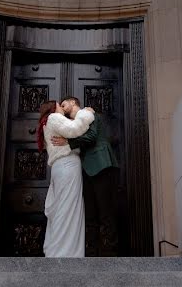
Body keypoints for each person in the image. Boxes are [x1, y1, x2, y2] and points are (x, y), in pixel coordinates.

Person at [52, 96, 120, 256]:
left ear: (73, 103)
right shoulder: (72, 125)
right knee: (90, 214)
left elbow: (91, 137)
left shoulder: (89, 115)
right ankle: (91, 254)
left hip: (101, 165)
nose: (62, 107)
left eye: (64, 104)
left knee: (106, 212)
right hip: (85, 172)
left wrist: (68, 143)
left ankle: (111, 255)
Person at [37, 99, 95, 257]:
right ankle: (66, 253)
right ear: (53, 108)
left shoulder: (47, 123)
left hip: (60, 168)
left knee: (63, 208)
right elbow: (75, 129)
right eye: (59, 104)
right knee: (68, 209)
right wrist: (87, 114)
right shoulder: (54, 118)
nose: (61, 107)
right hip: (67, 166)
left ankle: (57, 251)